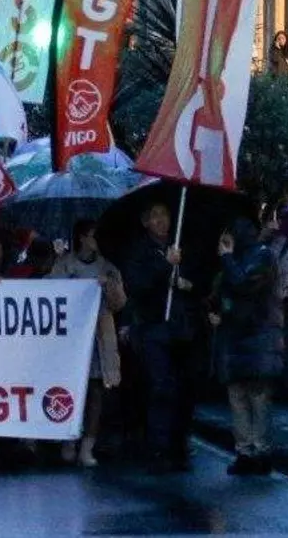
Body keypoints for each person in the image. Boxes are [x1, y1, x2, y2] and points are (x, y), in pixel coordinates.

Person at [122, 201, 201, 472]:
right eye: (154, 216)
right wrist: (165, 267)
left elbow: (197, 283)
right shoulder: (139, 251)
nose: (161, 221)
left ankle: (179, 445)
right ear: (146, 222)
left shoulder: (180, 246)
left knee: (184, 387)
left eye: (164, 215)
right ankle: (158, 446)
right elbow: (137, 285)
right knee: (160, 387)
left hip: (181, 328)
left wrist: (187, 283)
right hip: (153, 327)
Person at [49, 220, 125, 467]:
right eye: (93, 235)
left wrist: (109, 286)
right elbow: (50, 291)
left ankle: (87, 447)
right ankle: (68, 439)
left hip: (98, 339)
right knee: (69, 389)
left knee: (95, 391)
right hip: (70, 338)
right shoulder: (64, 264)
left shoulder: (108, 268)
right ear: (82, 237)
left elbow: (119, 303)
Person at [212, 217, 282, 475]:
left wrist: (227, 259)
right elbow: (223, 291)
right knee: (239, 396)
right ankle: (246, 451)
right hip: (237, 335)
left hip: (257, 334)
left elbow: (243, 285)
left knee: (255, 396)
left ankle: (259, 451)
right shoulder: (241, 257)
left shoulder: (262, 256)